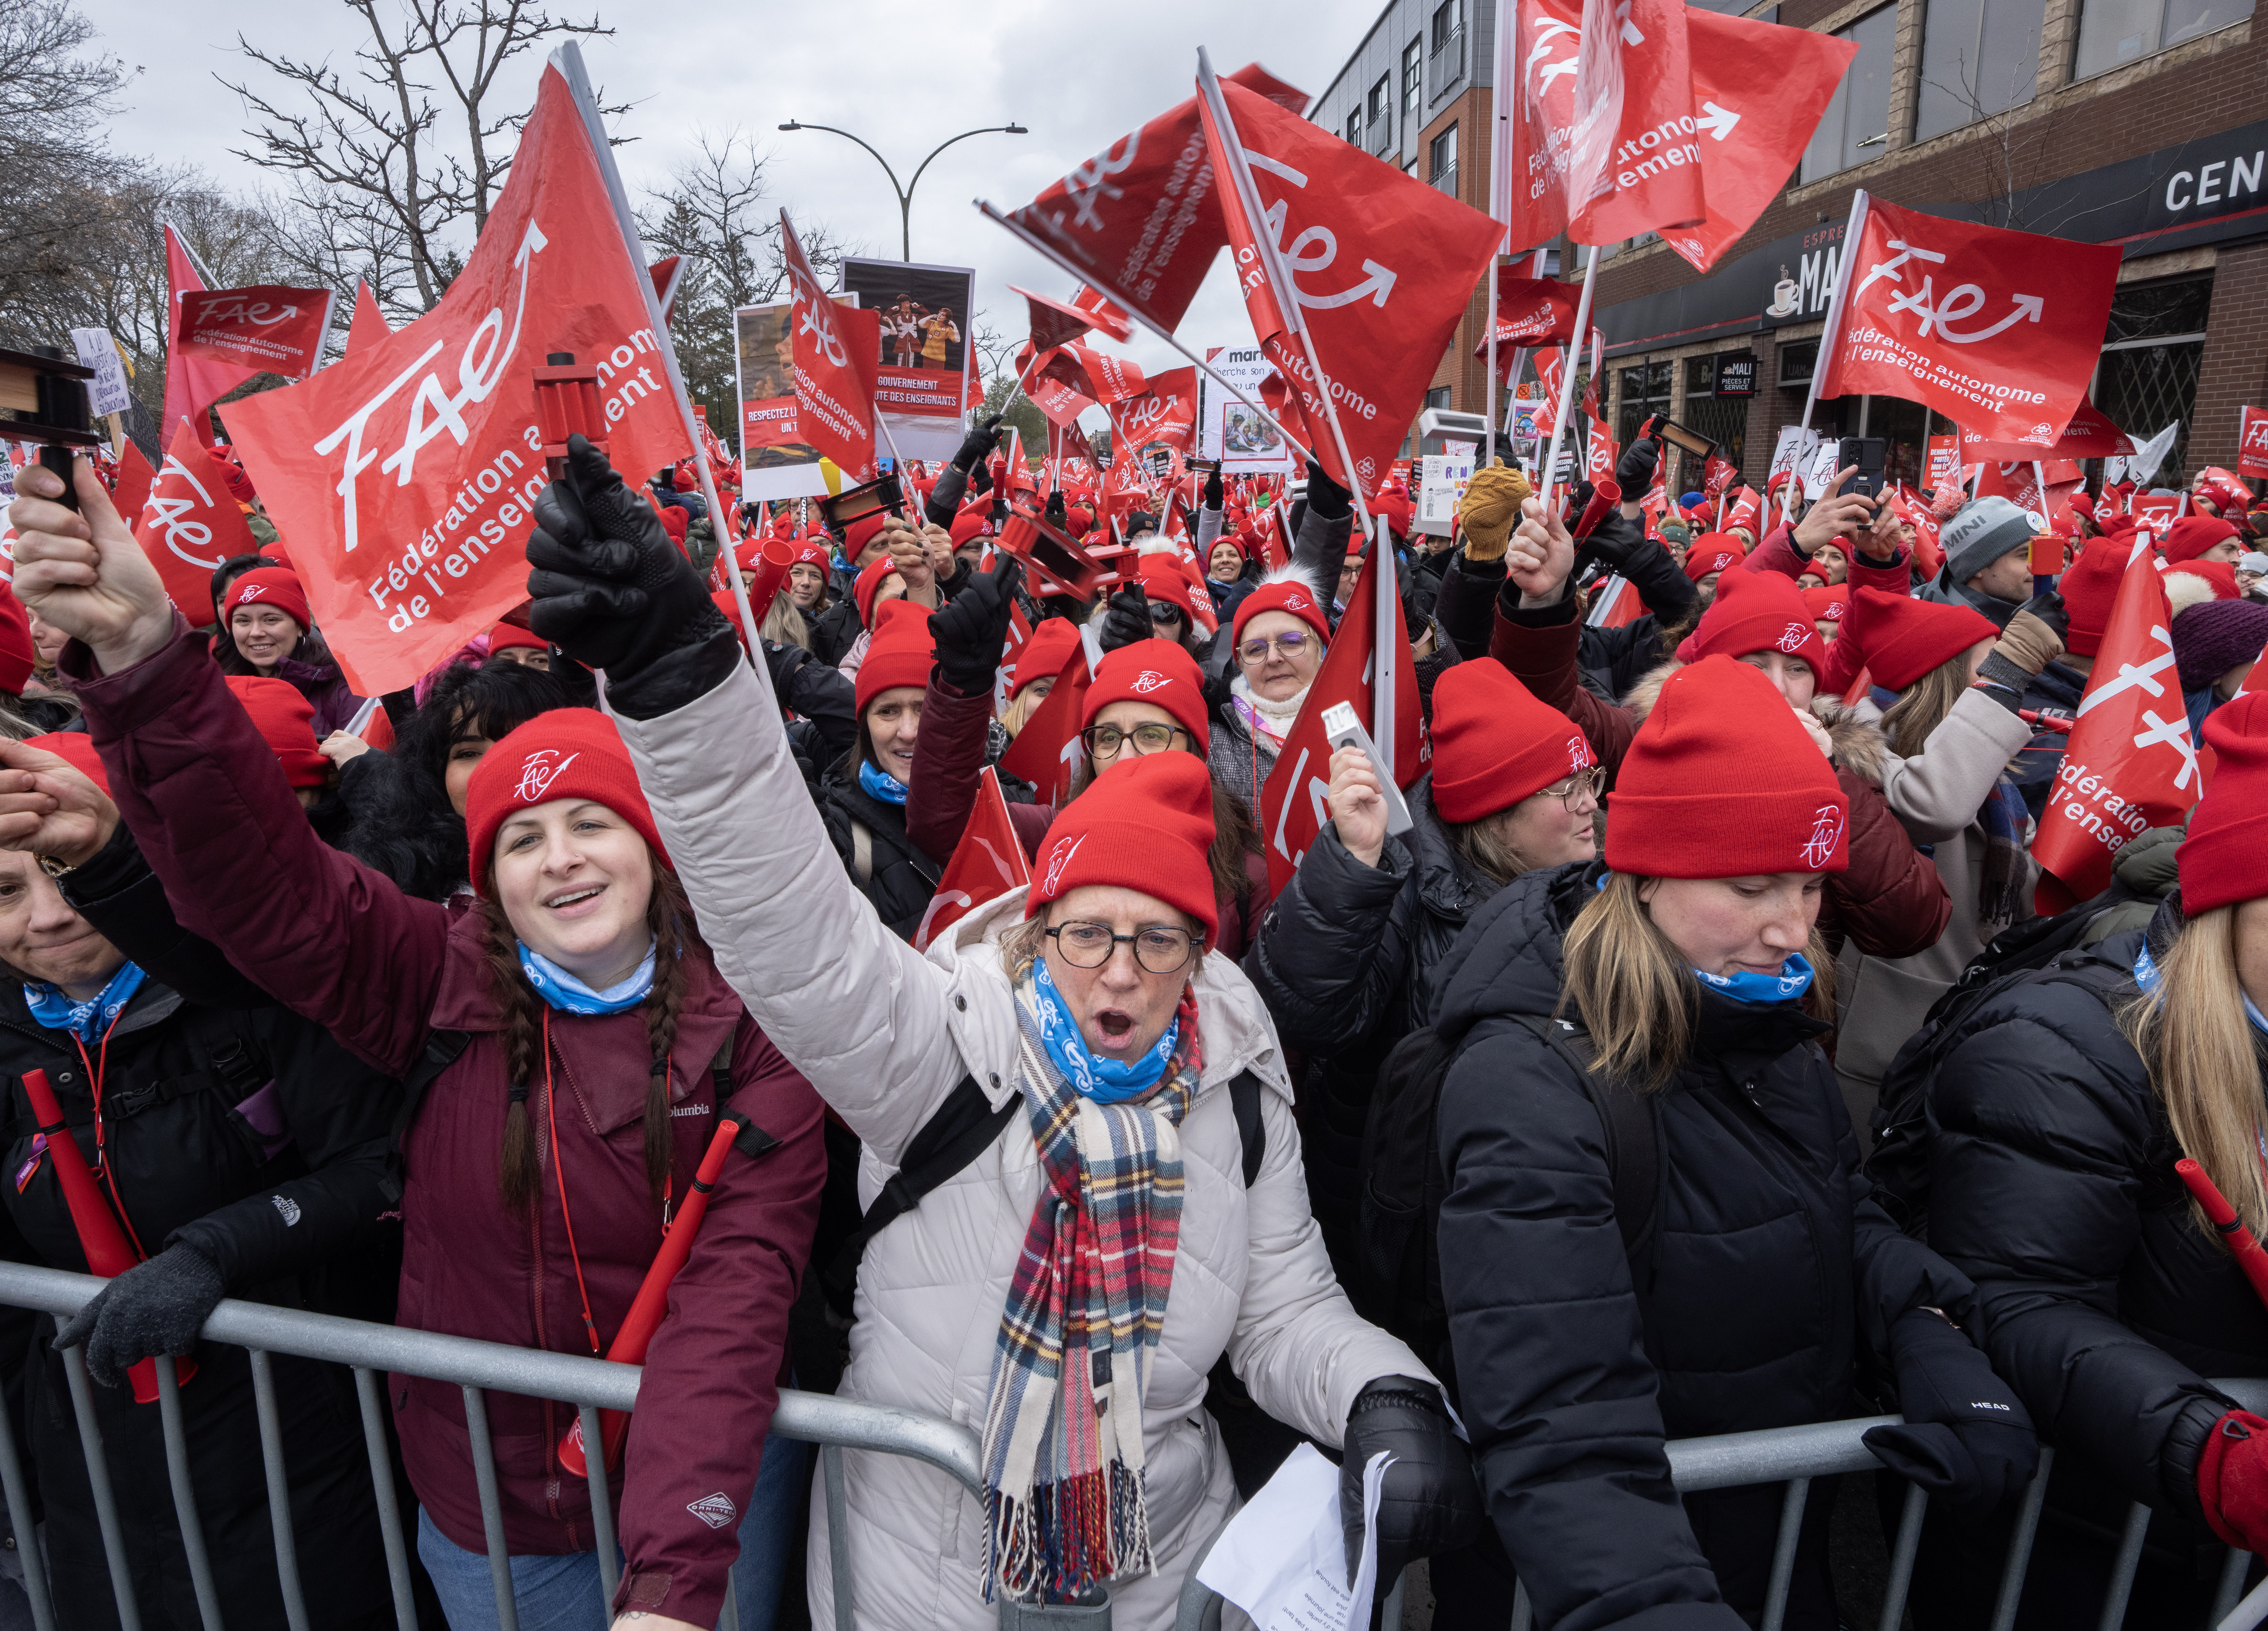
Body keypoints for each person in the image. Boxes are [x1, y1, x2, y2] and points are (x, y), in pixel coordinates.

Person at [516, 434, 1485, 1631]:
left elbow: (1281, 1311)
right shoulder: (943, 1040)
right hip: (923, 1589)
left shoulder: (1236, 1073)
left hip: (1155, 1582)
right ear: (1040, 927)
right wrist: (681, 681)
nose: (1119, 974)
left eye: (1158, 939)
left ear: (1201, 948)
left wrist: (1385, 1394)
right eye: (1087, 933)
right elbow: (788, 925)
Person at [6, 452, 829, 1631]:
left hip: (693, 1514)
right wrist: (144, 667)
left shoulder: (755, 1025)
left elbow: (732, 1304)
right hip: (484, 1518)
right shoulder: (431, 977)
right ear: (484, 875)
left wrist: (671, 1588)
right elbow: (267, 885)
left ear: (656, 854)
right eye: (523, 836)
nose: (564, 857)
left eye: (594, 822)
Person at [1429, 654, 2032, 1630]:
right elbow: (1563, 1422)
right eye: (1752, 886)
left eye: (1808, 887)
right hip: (1601, 1581)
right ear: (1650, 871)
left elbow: (1835, 1199)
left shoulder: (1760, 1018)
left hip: (1768, 1546)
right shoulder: (1529, 1083)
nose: (1793, 929)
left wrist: (1924, 1324)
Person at [0, 731, 404, 1631]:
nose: (51, 917)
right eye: (5, 892)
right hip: (90, 1457)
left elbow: (380, 1165)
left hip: (301, 1437)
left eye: (67, 876)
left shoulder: (252, 993)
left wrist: (216, 1252)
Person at [1910, 693, 2268, 1627]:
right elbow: (2013, 1301)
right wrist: (2216, 1448)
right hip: (2082, 1548)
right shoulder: (2066, 1046)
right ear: (2233, 903)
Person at [1242, 659, 1600, 1283]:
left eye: (1589, 778)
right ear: (1495, 812)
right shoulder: (1405, 883)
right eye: (1564, 788)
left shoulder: (1605, 881)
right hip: (1405, 1225)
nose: (1589, 803)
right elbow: (1299, 1014)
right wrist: (1351, 868)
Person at [336, 657, 576, 903]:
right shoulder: (389, 885)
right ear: (437, 775)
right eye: (469, 753)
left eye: (519, 744)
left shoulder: (604, 853)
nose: (491, 768)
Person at [817, 600, 948, 940]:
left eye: (924, 708)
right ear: (865, 726)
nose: (908, 731)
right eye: (888, 712)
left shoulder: (1003, 800)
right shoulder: (837, 833)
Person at [1209, 574, 1330, 817]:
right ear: (1241, 665)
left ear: (1322, 651)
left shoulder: (1366, 713)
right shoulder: (1212, 741)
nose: (1274, 658)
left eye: (1292, 642)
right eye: (1256, 649)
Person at [214, 566, 367, 737]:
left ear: (299, 626)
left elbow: (367, 758)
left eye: (271, 620)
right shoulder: (217, 690)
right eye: (243, 621)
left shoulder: (344, 687)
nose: (256, 632)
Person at [1924, 497, 2037, 628]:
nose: (2041, 565)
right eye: (2025, 555)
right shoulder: (1946, 630)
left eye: (2040, 552)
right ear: (1978, 567)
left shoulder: (2049, 603)